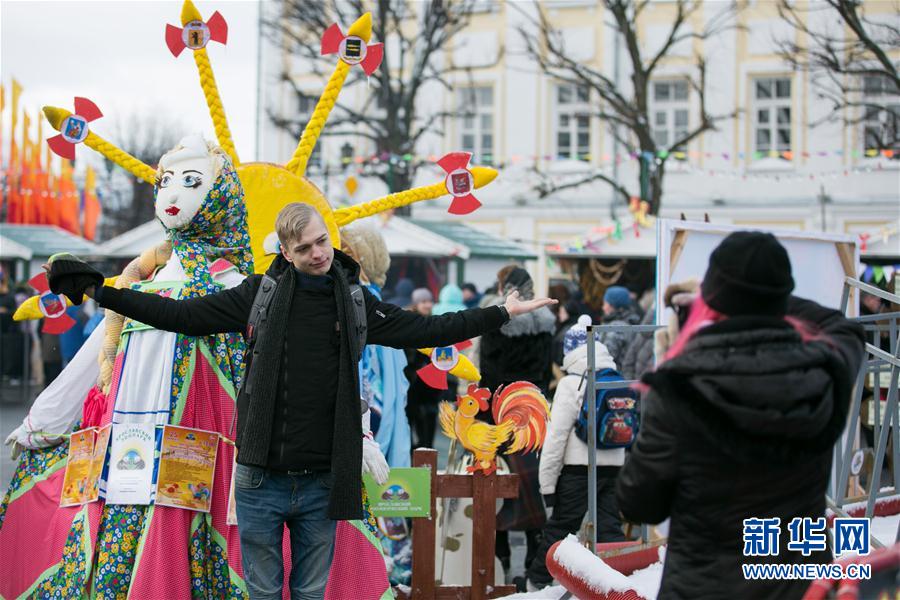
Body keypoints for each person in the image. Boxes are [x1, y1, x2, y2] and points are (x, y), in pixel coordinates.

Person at [46, 202, 555, 599]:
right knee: (265, 593)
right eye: (306, 247)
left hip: (322, 480)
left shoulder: (355, 300)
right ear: (286, 253)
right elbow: (181, 316)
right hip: (260, 478)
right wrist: (101, 290)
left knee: (311, 593)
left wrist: (501, 313)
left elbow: (428, 329)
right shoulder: (258, 295)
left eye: (322, 241)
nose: (319, 253)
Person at [616, 231, 866, 600]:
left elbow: (639, 503)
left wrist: (722, 296)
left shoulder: (678, 387)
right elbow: (843, 328)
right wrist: (764, 297)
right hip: (798, 588)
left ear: (715, 297)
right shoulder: (824, 375)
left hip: (702, 590)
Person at [527, 315, 625, 591]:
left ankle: (537, 583)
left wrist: (547, 485)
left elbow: (556, 437)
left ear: (569, 351)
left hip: (578, 470)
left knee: (560, 529)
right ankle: (620, 585)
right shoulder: (616, 379)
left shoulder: (572, 383)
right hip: (614, 465)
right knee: (609, 529)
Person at [478, 266, 556, 583]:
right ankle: (535, 556)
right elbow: (546, 371)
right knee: (531, 485)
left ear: (503, 286)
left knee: (496, 484)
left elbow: (489, 371)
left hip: (500, 411)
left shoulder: (495, 318)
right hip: (534, 410)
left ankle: (502, 559)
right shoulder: (546, 321)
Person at [403, 287, 442, 450]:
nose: (427, 305)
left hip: (431, 384)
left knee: (429, 420)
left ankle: (427, 452)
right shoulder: (409, 323)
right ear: (416, 303)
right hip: (412, 382)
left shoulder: (434, 322)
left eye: (429, 301)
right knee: (410, 418)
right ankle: (411, 453)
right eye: (423, 302)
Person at [597, 285, 641, 369]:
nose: (603, 308)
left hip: (614, 374)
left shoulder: (615, 328)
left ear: (613, 306)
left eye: (605, 303)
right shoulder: (631, 321)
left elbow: (606, 356)